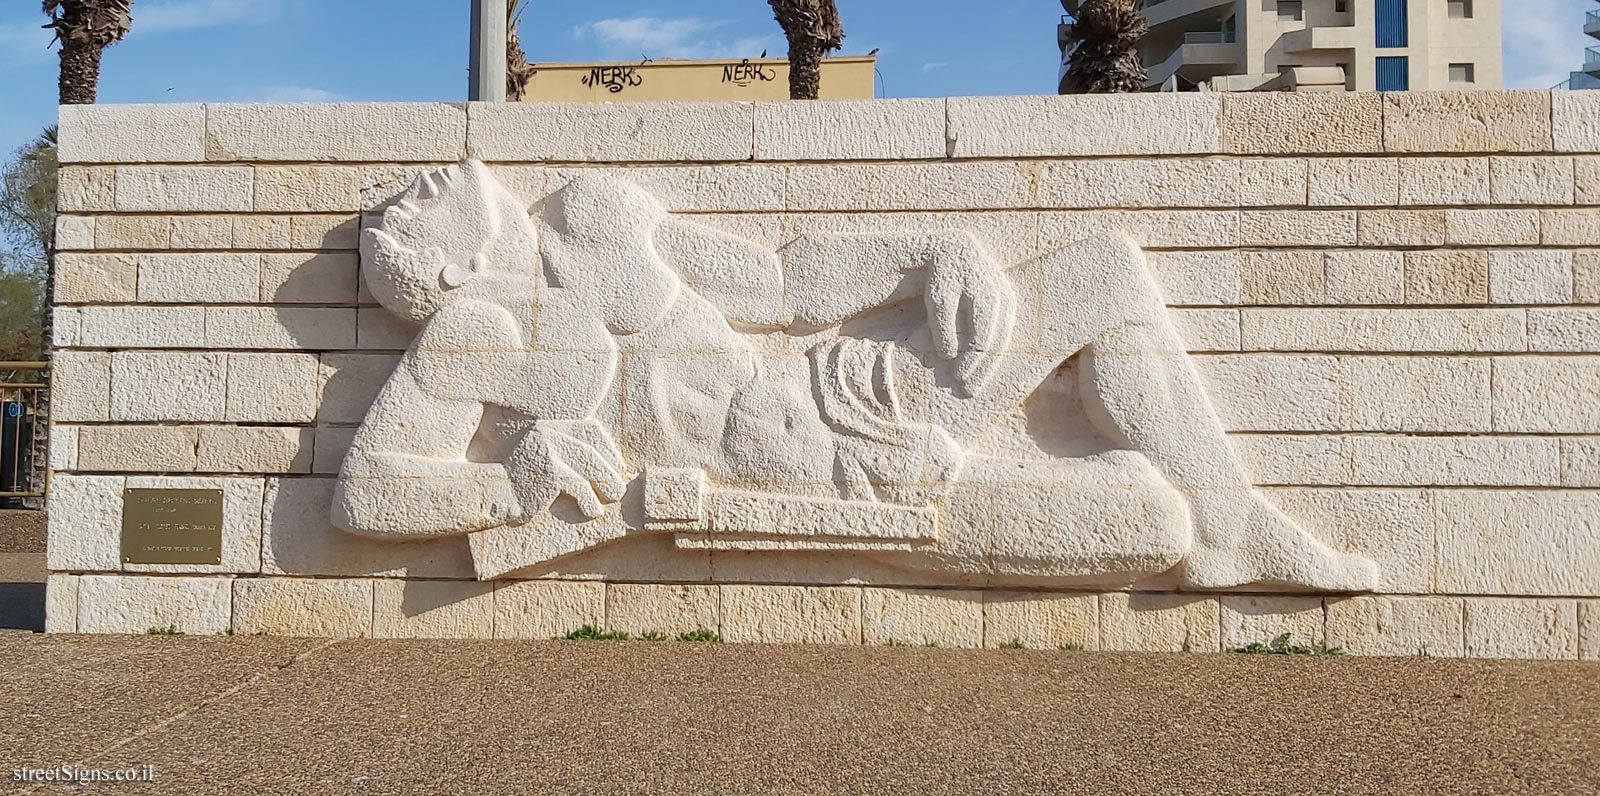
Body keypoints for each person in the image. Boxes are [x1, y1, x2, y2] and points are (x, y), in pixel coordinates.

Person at [335, 161, 1376, 592]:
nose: (417, 185)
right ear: (454, 267)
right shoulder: (473, 335)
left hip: (849, 391)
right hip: (814, 501)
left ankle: (1236, 529)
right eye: (406, 211)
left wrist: (935, 250)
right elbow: (367, 489)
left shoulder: (591, 214)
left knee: (1104, 269)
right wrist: (505, 487)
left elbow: (782, 282)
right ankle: (1205, 533)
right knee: (1152, 527)